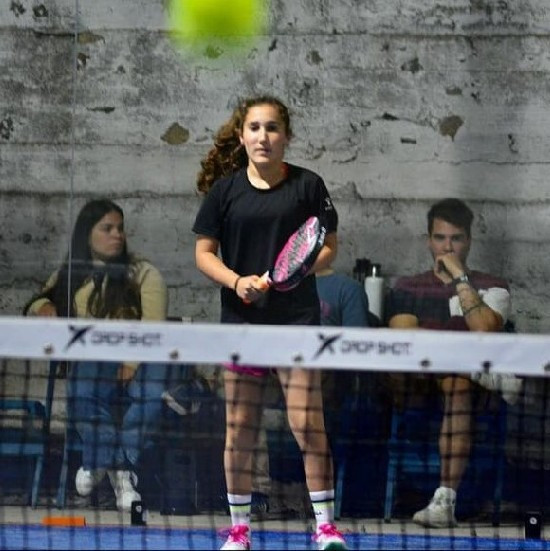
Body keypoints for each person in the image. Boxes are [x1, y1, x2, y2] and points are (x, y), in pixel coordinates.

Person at [193, 96, 347, 550]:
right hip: (242, 325)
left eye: (272, 128)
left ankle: (325, 528)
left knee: (307, 425)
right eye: (255, 128)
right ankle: (239, 530)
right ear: (242, 136)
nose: (263, 136)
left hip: (296, 326)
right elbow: (203, 254)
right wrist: (237, 282)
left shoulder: (308, 186)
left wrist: (294, 274)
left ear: (286, 136)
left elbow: (329, 246)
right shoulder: (224, 192)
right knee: (239, 429)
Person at [24, 199, 181, 512]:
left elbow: (154, 330)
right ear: (87, 234)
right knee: (82, 388)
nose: (117, 235)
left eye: (120, 228)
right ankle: (118, 470)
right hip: (93, 361)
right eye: (107, 229)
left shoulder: (144, 273)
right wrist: (43, 306)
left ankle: (103, 461)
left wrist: (131, 363)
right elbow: (35, 303)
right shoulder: (69, 274)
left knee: (153, 393)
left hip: (143, 359)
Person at [387, 197, 521, 528]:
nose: (448, 247)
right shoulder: (408, 286)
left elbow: (485, 329)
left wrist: (460, 278)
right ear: (428, 241)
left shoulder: (493, 286)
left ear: (469, 241)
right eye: (440, 238)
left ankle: (444, 502)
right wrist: (456, 353)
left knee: (457, 382)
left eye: (456, 238)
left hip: (470, 391)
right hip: (416, 384)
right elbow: (404, 336)